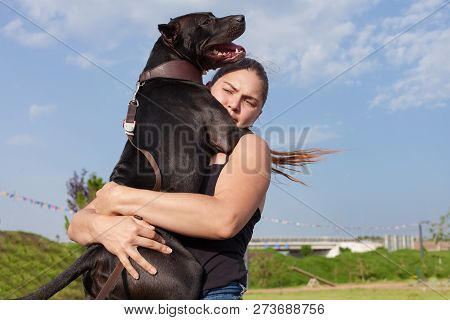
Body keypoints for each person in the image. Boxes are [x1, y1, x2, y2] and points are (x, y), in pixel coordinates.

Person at [68, 58, 331, 300]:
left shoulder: (249, 148)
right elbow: (78, 224)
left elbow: (223, 220)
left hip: (210, 295)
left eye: (249, 101)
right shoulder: (168, 144)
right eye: (228, 90)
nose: (234, 104)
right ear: (206, 90)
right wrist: (104, 228)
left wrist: (122, 198)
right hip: (133, 294)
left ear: (258, 114)